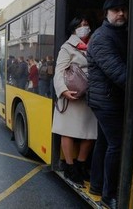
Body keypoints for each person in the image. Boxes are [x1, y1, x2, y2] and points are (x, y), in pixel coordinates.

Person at [87, 0, 129, 209]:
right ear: (107, 14)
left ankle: (96, 185)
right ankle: (108, 196)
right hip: (106, 101)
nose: (121, 13)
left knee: (104, 143)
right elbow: (119, 73)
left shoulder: (119, 33)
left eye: (124, 9)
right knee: (117, 145)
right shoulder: (102, 37)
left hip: (108, 99)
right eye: (116, 10)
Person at [52, 16, 97, 186]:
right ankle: (70, 168)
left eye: (86, 24)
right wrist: (63, 91)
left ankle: (80, 165)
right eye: (80, 25)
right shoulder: (67, 47)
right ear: (73, 29)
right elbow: (59, 71)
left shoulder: (94, 44)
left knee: (91, 133)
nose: (84, 27)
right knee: (68, 131)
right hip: (72, 95)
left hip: (91, 95)